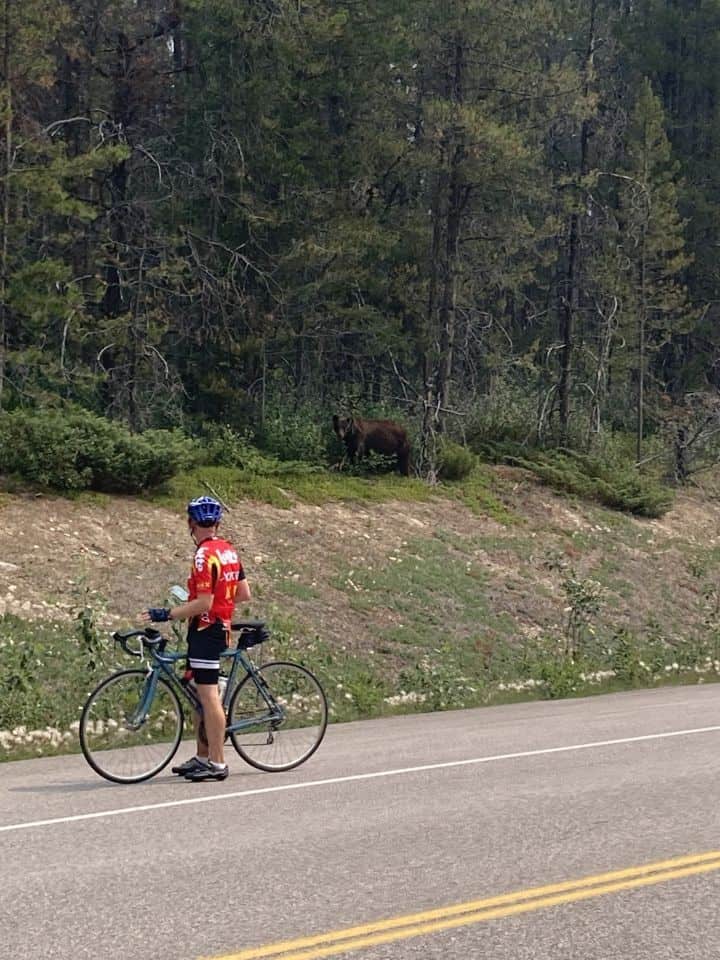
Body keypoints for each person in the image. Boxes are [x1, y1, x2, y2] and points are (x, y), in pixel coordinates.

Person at [140, 495, 251, 782]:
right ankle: (203, 756)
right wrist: (222, 606)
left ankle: (217, 763)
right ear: (217, 522)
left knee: (208, 696)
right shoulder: (228, 550)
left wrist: (167, 614)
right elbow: (243, 594)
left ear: (191, 522)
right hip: (216, 627)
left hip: (205, 628)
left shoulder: (204, 555)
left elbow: (203, 602)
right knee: (196, 689)